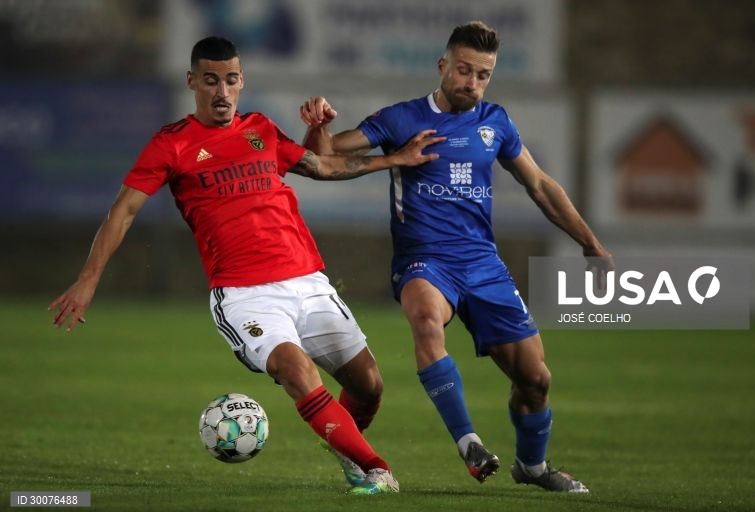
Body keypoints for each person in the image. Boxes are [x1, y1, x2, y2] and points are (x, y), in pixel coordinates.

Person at [49, 36, 443, 496]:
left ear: (241, 83)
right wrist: (87, 279)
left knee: (369, 385)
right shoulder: (172, 144)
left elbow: (323, 166)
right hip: (245, 295)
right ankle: (377, 470)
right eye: (211, 81)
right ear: (192, 81)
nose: (221, 92)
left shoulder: (261, 130)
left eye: (231, 81)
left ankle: (347, 450)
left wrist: (395, 158)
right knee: (297, 372)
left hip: (307, 280)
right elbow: (124, 211)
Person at [300, 21, 614, 493]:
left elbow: (540, 185)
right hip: (423, 261)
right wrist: (318, 127)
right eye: (464, 70)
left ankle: (531, 466)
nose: (472, 82)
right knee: (426, 319)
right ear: (442, 66)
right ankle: (468, 441)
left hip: (483, 265)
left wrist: (589, 242)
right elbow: (324, 161)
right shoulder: (401, 119)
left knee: (535, 378)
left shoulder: (495, 123)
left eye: (483, 74)